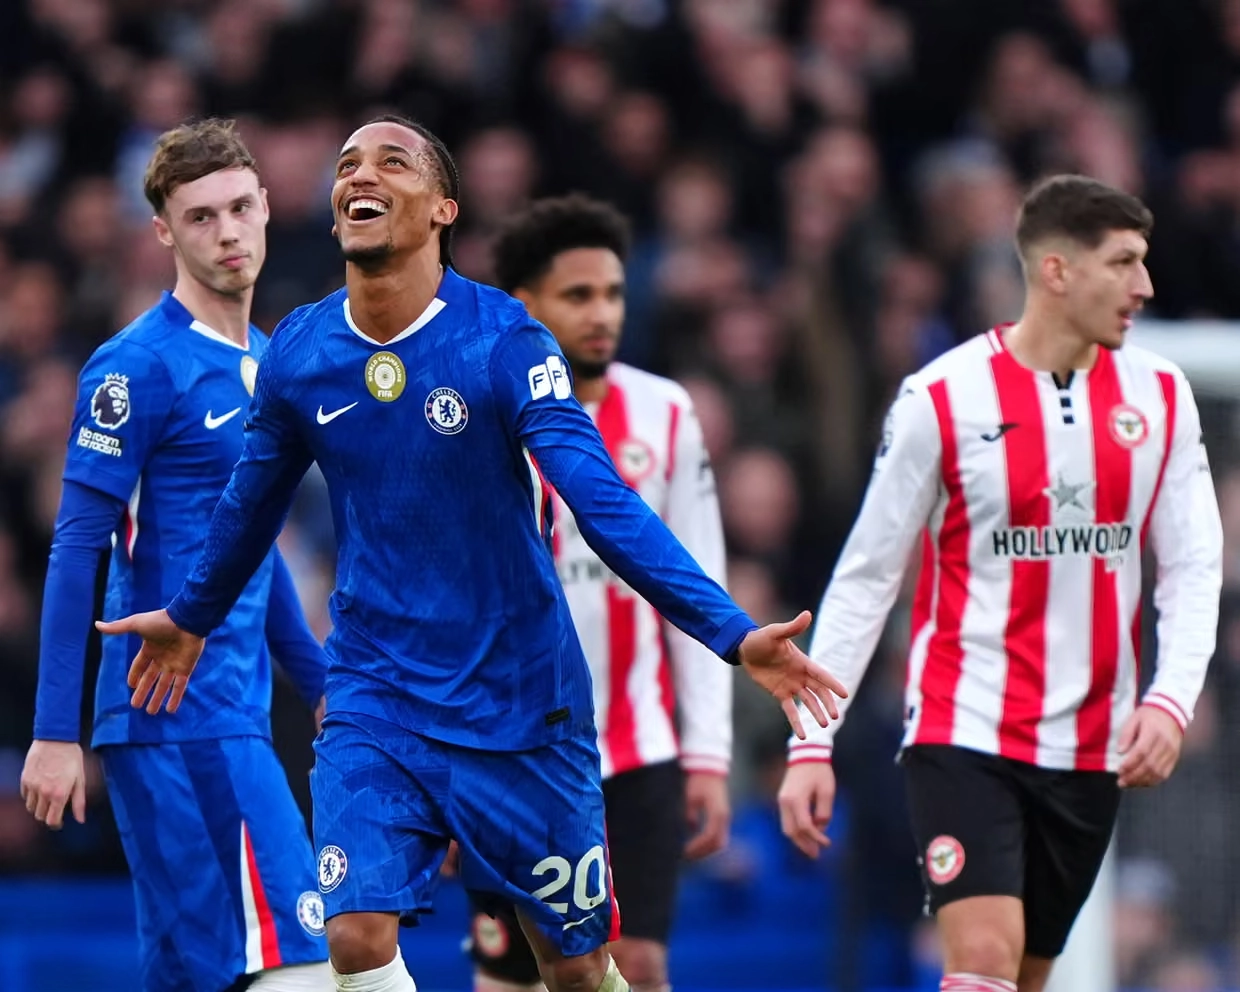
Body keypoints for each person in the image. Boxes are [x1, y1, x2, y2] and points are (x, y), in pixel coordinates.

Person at [96, 115, 845, 992]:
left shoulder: (504, 340)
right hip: (377, 697)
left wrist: (731, 633)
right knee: (354, 936)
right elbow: (247, 507)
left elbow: (601, 501)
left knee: (575, 970)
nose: (359, 175)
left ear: (443, 208)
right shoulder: (301, 349)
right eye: (347, 164)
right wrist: (191, 616)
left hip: (521, 706)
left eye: (392, 162)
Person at [776, 174, 1222, 992]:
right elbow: (867, 575)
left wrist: (1171, 698)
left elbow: (1194, 563)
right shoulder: (941, 398)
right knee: (981, 961)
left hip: (1091, 743)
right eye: (1123, 262)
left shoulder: (1161, 396)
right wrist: (812, 742)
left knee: (1022, 975)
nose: (1145, 287)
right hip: (965, 725)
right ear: (1056, 270)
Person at [19, 120, 332, 991]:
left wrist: (321, 686)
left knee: (202, 976)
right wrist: (54, 732)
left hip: (231, 712)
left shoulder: (269, 363)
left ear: (266, 207)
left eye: (239, 208)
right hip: (177, 717)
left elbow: (253, 552)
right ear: (163, 231)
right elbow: (76, 547)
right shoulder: (136, 368)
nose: (227, 232)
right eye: (200, 217)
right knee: (302, 965)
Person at [457, 194, 732, 992]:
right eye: (578, 295)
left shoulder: (666, 412)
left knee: (637, 964)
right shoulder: (470, 414)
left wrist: (708, 756)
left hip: (639, 752)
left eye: (612, 293)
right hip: (507, 750)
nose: (602, 313)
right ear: (524, 304)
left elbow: (698, 586)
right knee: (512, 978)